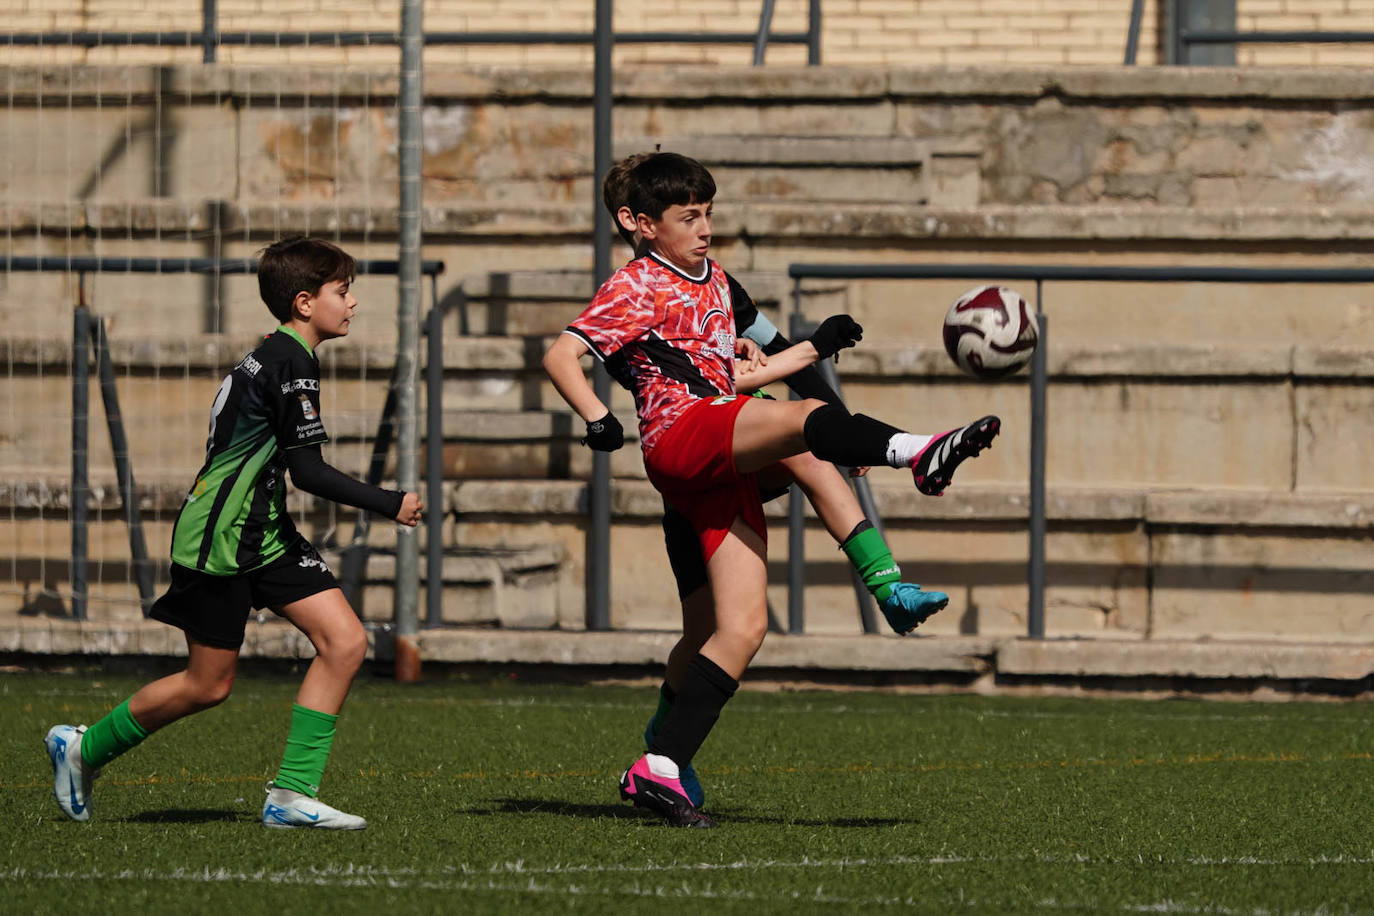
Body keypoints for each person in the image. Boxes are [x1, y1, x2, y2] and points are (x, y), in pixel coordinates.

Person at [544, 152, 999, 827]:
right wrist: (598, 417)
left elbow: (748, 370)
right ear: (638, 223)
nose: (704, 228)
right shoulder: (637, 285)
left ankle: (660, 764)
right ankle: (919, 453)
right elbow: (560, 355)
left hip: (714, 450)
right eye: (687, 217)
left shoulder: (718, 284)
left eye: (708, 214)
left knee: (739, 628)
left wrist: (816, 354)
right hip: (679, 438)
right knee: (806, 432)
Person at [43, 236, 423, 830]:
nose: (352, 303)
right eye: (342, 292)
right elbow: (308, 470)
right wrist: (389, 502)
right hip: (220, 540)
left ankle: (292, 797)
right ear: (304, 302)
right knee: (207, 685)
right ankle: (82, 749)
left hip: (262, 532)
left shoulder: (276, 355)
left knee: (345, 642)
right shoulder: (291, 362)